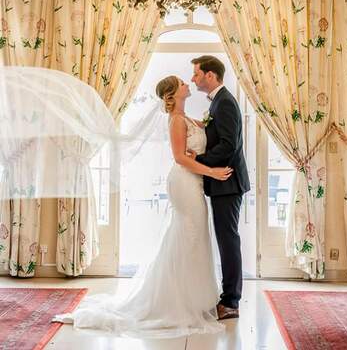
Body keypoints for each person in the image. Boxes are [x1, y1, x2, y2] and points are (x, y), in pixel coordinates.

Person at [52, 75, 233, 338]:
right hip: (184, 183)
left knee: (194, 237)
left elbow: (192, 152)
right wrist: (212, 172)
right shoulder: (176, 121)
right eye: (182, 83)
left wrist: (203, 163)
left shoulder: (189, 119)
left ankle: (192, 299)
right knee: (189, 235)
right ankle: (175, 303)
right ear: (173, 93)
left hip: (194, 183)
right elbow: (180, 158)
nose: (187, 84)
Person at [190, 55, 250, 320]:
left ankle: (231, 302)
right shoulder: (218, 103)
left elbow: (229, 146)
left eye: (196, 74)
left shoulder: (225, 102)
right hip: (221, 184)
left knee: (228, 241)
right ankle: (228, 299)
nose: (193, 78)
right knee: (226, 240)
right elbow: (219, 136)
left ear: (210, 75)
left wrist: (198, 161)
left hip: (228, 182)